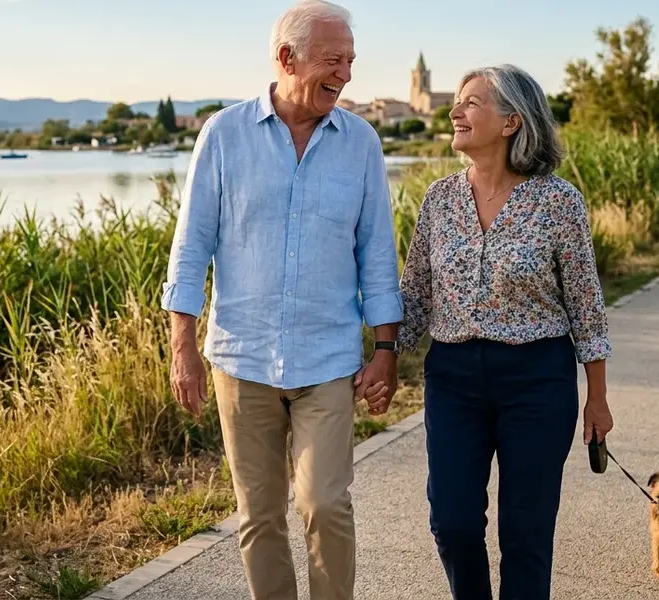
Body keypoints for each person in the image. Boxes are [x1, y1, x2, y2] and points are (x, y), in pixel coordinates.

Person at [160, 1, 403, 599]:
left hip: (328, 360)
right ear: (286, 58)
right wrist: (182, 346)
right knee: (259, 516)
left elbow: (377, 250)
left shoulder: (361, 143)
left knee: (324, 503)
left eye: (350, 60)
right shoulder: (224, 135)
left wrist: (386, 347)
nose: (345, 74)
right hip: (241, 359)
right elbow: (191, 247)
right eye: (333, 60)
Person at [397, 64, 615, 600]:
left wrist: (598, 398)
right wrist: (380, 355)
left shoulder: (557, 201)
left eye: (471, 103)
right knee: (453, 522)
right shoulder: (439, 199)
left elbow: (586, 304)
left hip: (537, 378)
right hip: (453, 378)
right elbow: (416, 296)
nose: (455, 111)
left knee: (526, 531)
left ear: (512, 121)